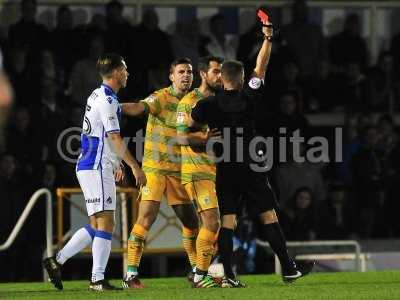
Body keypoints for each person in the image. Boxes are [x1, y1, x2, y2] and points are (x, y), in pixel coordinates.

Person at [190, 19, 314, 286]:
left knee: (228, 221)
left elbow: (190, 127)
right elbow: (262, 65)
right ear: (243, 78)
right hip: (251, 166)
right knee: (268, 215)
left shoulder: (207, 104)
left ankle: (229, 276)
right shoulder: (249, 96)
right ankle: (289, 269)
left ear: (221, 79)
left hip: (225, 166)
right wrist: (267, 39)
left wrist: (204, 136)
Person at [43, 53, 146, 291]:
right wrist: (132, 165)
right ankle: (97, 279)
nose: (128, 74)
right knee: (107, 224)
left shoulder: (97, 94)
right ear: (117, 72)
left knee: (97, 224)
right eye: (126, 69)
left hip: (91, 165)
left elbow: (100, 135)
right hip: (95, 167)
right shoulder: (107, 100)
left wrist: (115, 163)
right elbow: (113, 136)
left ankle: (56, 261)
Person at [120, 58, 199, 288]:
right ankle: (131, 274)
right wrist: (113, 105)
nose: (186, 75)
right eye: (181, 72)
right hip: (154, 169)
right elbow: (137, 107)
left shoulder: (195, 100)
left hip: (179, 171)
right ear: (171, 76)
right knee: (146, 218)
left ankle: (196, 270)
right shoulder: (160, 97)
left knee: (192, 223)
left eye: (189, 72)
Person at [175, 55, 223, 288]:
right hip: (196, 172)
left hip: (215, 172)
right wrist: (204, 138)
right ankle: (200, 275)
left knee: (215, 226)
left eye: (222, 72)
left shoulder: (221, 101)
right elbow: (181, 136)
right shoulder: (190, 101)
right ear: (204, 74)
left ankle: (200, 272)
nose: (220, 76)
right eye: (216, 71)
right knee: (212, 223)